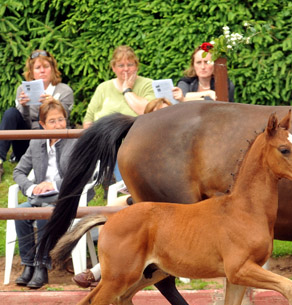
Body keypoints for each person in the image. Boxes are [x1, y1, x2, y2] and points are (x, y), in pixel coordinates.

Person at [72, 97, 174, 288]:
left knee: (125, 209)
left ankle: (101, 270)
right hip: (144, 197)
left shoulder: (175, 145)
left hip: (167, 201)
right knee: (111, 209)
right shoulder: (143, 145)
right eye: (159, 114)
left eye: (168, 113)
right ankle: (106, 266)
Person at [13, 99, 76, 289]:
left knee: (43, 214)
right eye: (53, 121)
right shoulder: (37, 142)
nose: (58, 125)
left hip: (65, 196)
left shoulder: (74, 141)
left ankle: (42, 266)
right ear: (42, 124)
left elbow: (78, 175)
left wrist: (53, 185)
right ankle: (28, 264)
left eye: (61, 120)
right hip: (39, 196)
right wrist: (32, 188)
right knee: (20, 213)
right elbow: (18, 172)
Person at [0, 50, 74, 174]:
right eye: (38, 68)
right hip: (27, 140)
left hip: (52, 142)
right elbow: (23, 120)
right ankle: (0, 161)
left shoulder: (64, 90)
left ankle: (45, 162)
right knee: (10, 113)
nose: (42, 71)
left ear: (53, 69)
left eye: (46, 67)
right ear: (32, 72)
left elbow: (65, 118)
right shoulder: (23, 89)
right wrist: (24, 106)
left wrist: (53, 104)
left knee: (45, 117)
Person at [83, 45, 155, 129]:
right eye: (121, 66)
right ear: (114, 68)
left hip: (136, 137)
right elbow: (88, 120)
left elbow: (147, 112)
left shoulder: (148, 84)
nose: (126, 69)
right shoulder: (103, 87)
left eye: (130, 65)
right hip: (104, 138)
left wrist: (127, 90)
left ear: (136, 66)